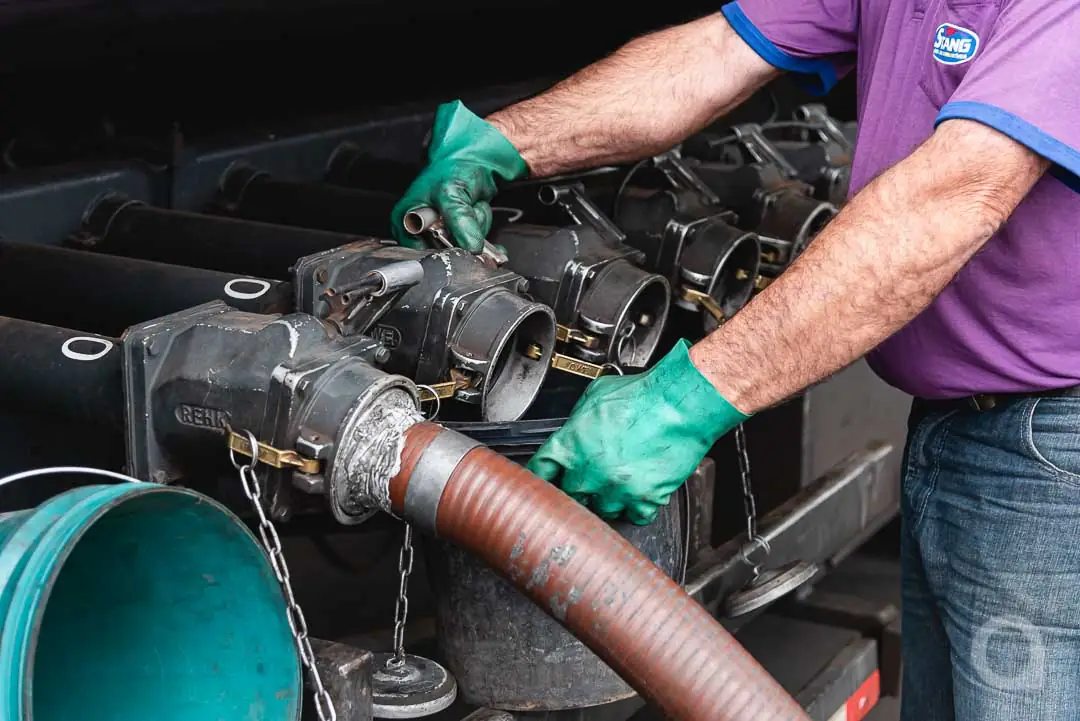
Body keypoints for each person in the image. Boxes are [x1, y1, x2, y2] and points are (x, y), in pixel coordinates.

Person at [392, 1, 1080, 718]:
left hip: (1051, 460)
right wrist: (501, 142)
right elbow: (719, 49)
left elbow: (944, 203)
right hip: (960, 430)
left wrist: (680, 403)